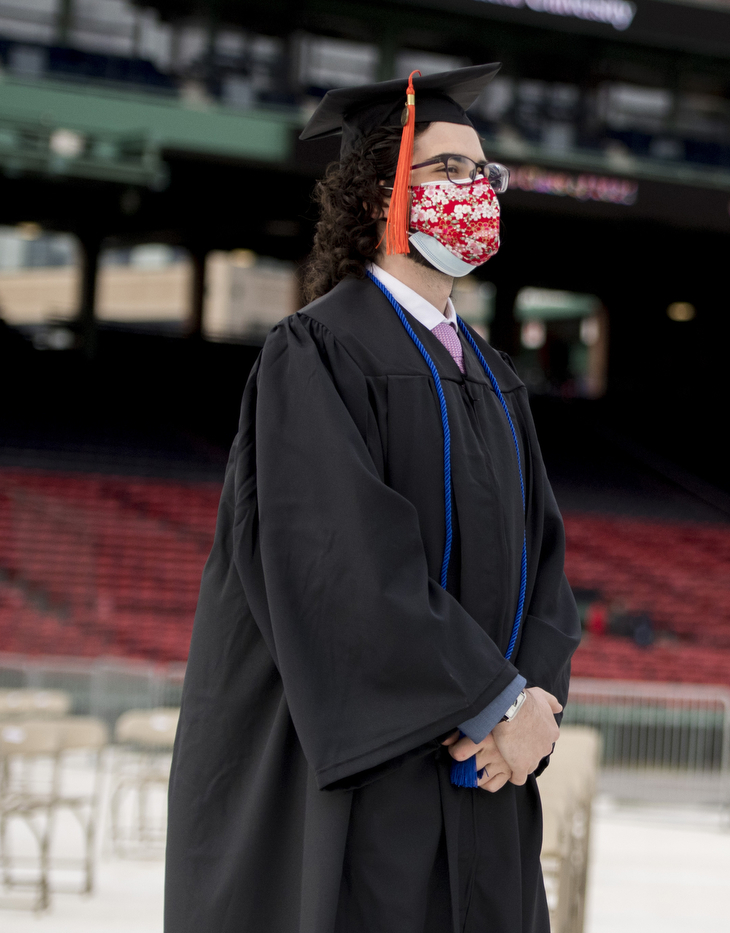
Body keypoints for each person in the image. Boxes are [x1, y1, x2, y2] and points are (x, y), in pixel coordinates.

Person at [165, 65, 580, 933]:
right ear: (379, 196)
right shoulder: (315, 353)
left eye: (485, 173)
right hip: (377, 784)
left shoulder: (496, 377)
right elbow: (340, 563)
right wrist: (494, 702)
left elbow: (547, 564)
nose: (477, 191)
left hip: (488, 780)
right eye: (449, 172)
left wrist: (536, 705)